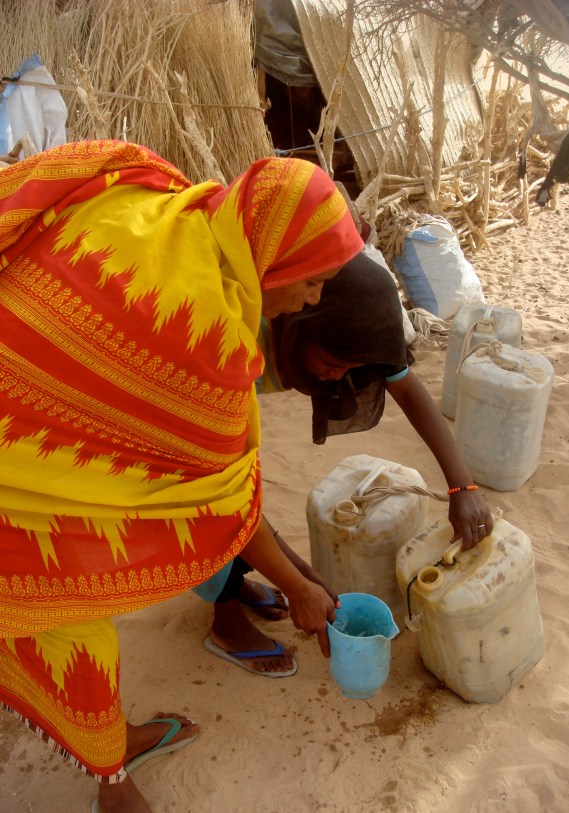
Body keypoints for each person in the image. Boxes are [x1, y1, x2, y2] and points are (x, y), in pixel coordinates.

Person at [0, 140, 365, 813]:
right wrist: (300, 589)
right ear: (277, 258)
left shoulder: (165, 203)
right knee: (66, 612)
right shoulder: (209, 338)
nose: (312, 298)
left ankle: (110, 743)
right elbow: (222, 503)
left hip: (29, 411)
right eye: (313, 280)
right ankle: (114, 784)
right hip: (16, 461)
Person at [202, 251, 494, 677]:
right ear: (301, 325)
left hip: (225, 428)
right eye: (333, 364)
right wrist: (297, 583)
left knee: (244, 499)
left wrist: (461, 487)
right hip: (167, 430)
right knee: (207, 511)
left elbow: (407, 389)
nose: (339, 379)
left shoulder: (353, 319)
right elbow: (222, 497)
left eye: (351, 368)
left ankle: (236, 580)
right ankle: (225, 620)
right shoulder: (230, 348)